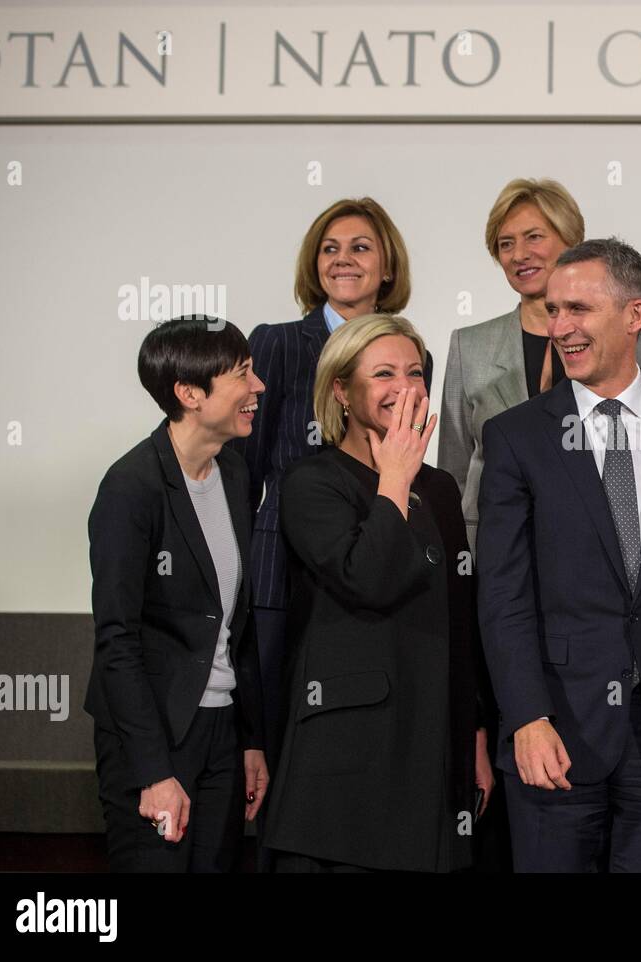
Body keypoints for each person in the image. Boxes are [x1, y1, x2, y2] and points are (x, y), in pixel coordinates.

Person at [477, 238, 641, 872]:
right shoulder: (516, 435)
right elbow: (503, 594)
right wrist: (525, 716)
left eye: (579, 310)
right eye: (554, 311)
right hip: (555, 729)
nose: (561, 328)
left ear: (634, 314)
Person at [262, 314, 492, 872]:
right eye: (384, 373)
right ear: (341, 390)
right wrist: (393, 480)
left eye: (415, 372)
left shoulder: (438, 487)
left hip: (432, 745)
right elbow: (367, 578)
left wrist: (475, 735)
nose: (405, 387)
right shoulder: (311, 482)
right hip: (347, 760)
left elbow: (461, 621)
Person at [228, 197, 430, 815]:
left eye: (361, 246)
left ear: (388, 264)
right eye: (330, 248)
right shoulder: (280, 343)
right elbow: (247, 468)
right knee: (283, 746)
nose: (344, 259)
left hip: (381, 555)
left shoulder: (407, 347)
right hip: (282, 568)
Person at [85, 316, 268, 872]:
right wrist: (153, 773)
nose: (258, 387)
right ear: (189, 393)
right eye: (241, 374)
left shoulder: (235, 473)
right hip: (156, 737)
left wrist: (251, 740)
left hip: (221, 731)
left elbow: (238, 624)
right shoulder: (130, 487)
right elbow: (117, 641)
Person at [440, 177, 641, 550]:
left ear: (571, 241)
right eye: (506, 244)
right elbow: (454, 473)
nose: (519, 254)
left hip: (602, 551)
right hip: (497, 548)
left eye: (534, 237)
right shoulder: (469, 347)